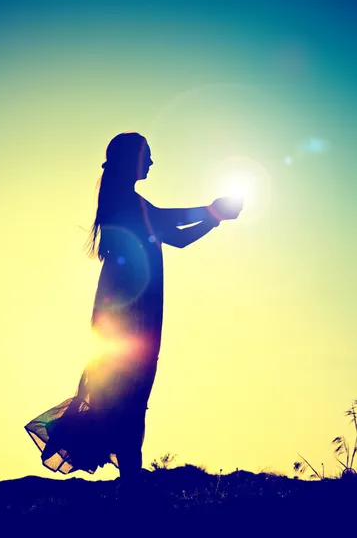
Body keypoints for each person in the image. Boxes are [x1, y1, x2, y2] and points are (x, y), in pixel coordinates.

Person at [24, 131, 243, 489]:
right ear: (132, 159)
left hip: (133, 307)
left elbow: (178, 235)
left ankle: (131, 483)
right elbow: (169, 222)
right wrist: (214, 211)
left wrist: (214, 217)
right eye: (148, 156)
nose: (153, 162)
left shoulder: (125, 201)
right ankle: (131, 487)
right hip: (130, 310)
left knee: (129, 395)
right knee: (127, 393)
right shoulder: (124, 201)